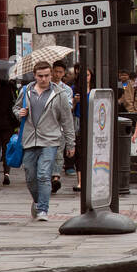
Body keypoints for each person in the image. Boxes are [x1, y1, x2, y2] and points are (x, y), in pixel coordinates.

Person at [13, 61, 75, 221]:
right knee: (30, 176)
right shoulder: (26, 91)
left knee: (43, 175)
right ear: (34, 75)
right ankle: (38, 201)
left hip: (50, 139)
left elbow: (67, 120)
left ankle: (42, 210)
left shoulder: (59, 93)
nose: (44, 79)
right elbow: (15, 108)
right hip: (29, 139)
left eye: (47, 75)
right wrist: (19, 112)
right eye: (40, 76)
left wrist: (70, 143)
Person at [49, 60, 74, 194]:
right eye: (56, 71)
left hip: (60, 127)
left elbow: (68, 107)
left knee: (59, 153)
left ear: (64, 73)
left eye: (60, 72)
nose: (57, 74)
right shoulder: (46, 86)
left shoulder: (66, 89)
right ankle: (49, 176)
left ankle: (56, 176)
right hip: (47, 127)